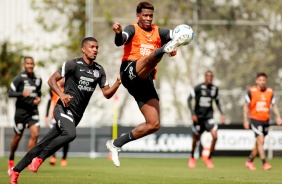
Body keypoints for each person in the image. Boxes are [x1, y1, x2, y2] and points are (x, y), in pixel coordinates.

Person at [8, 37, 121, 184]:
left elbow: (107, 94)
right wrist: (61, 94)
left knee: (43, 142)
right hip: (63, 108)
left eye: (97, 47)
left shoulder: (99, 70)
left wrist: (118, 82)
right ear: (83, 49)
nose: (95, 50)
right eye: (92, 47)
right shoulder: (72, 64)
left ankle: (15, 171)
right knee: (71, 134)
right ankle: (41, 158)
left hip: (76, 115)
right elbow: (51, 81)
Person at [106, 1, 191, 167]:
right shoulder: (132, 29)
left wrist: (178, 43)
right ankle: (164, 50)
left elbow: (177, 34)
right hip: (129, 72)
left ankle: (116, 144)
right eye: (145, 15)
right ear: (138, 16)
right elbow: (120, 40)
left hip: (145, 80)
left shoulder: (158, 31)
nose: (148, 18)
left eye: (150, 16)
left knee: (154, 124)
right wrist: (118, 33)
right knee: (150, 59)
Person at [8, 56, 42, 170]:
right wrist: (22, 94)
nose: (30, 66)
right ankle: (11, 157)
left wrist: (38, 99)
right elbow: (10, 93)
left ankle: (29, 160)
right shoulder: (19, 78)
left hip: (33, 111)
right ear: (24, 65)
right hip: (21, 112)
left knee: (35, 134)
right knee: (18, 136)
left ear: (34, 65)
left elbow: (39, 93)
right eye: (28, 64)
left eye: (32, 64)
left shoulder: (38, 79)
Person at [243, 72, 281, 170]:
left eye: (264, 80)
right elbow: (246, 106)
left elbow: (274, 106)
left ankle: (249, 161)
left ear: (266, 81)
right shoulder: (251, 91)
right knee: (261, 140)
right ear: (256, 81)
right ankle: (264, 163)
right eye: (260, 80)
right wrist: (246, 120)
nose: (262, 82)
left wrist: (278, 117)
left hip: (265, 120)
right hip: (255, 119)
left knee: (259, 143)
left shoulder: (270, 91)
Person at [187, 70, 225, 169]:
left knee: (215, 136)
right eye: (207, 76)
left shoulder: (214, 89)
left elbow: (217, 102)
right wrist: (193, 114)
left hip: (209, 117)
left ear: (212, 78)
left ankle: (208, 158)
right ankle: (192, 157)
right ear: (205, 77)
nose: (209, 78)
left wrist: (222, 113)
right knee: (196, 138)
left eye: (211, 77)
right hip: (198, 118)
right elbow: (189, 99)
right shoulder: (198, 87)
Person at [45, 78, 69, 166]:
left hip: (66, 116)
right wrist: (46, 116)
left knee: (66, 138)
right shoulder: (53, 88)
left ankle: (64, 158)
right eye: (62, 77)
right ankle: (53, 157)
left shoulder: (68, 87)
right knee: (53, 137)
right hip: (54, 116)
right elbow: (48, 101)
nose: (63, 79)